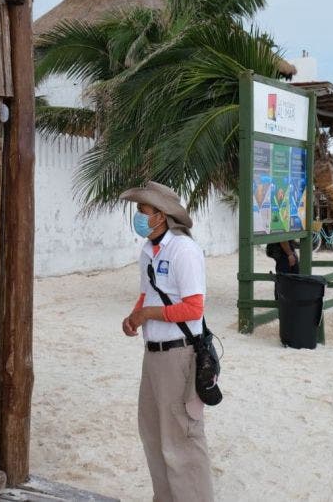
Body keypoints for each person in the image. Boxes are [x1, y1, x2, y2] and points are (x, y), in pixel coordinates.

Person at [119, 181, 214, 501]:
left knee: (182, 441)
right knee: (153, 433)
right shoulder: (148, 250)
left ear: (160, 215)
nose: (139, 217)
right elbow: (147, 291)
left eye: (143, 211)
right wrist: (134, 316)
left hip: (179, 354)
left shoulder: (183, 249)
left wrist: (146, 314)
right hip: (154, 355)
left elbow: (193, 308)